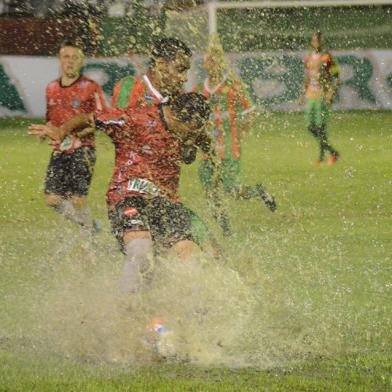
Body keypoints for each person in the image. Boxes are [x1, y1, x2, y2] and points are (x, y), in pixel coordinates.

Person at [29, 92, 213, 293]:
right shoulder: (135, 118)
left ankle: (177, 313)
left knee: (190, 257)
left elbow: (199, 145)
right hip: (128, 196)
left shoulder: (191, 130)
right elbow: (88, 118)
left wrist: (203, 149)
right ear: (176, 116)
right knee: (141, 250)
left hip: (166, 203)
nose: (193, 135)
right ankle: (128, 311)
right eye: (191, 131)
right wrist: (61, 131)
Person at [195, 36, 276, 235]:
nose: (210, 62)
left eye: (214, 59)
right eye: (208, 59)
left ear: (220, 62)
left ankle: (258, 190)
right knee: (210, 192)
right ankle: (225, 227)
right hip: (208, 151)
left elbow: (251, 112)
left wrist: (239, 134)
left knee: (234, 192)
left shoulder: (233, 86)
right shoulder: (198, 90)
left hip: (230, 149)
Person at [43, 40, 107, 232]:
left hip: (84, 150)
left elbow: (102, 118)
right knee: (52, 199)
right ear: (59, 60)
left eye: (75, 57)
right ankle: (89, 226)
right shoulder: (51, 88)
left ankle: (88, 236)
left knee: (77, 199)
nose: (70, 61)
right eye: (66, 57)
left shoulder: (91, 87)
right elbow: (51, 120)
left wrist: (79, 134)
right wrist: (46, 131)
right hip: (59, 150)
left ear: (81, 61)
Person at [112, 37, 192, 109]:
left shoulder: (179, 95)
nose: (185, 78)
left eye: (186, 71)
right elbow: (120, 121)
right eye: (180, 70)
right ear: (161, 65)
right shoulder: (129, 86)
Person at [302, 31, 340, 166]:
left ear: (322, 42)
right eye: (314, 40)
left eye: (319, 40)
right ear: (311, 42)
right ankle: (333, 152)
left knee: (320, 127)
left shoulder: (327, 57)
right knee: (310, 126)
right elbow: (307, 76)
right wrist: (302, 94)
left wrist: (331, 93)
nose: (316, 42)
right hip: (310, 96)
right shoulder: (308, 58)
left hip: (322, 97)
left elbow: (336, 77)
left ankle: (321, 156)